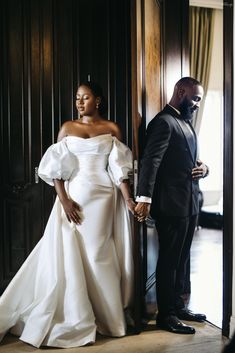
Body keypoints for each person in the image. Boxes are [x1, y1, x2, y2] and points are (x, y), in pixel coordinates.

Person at [0, 81, 135, 348]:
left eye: (85, 97)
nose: (79, 102)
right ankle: (79, 313)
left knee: (100, 254)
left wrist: (128, 200)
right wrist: (64, 201)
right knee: (74, 252)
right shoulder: (67, 128)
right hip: (76, 196)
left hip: (104, 197)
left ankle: (108, 318)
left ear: (98, 100)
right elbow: (56, 169)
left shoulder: (112, 129)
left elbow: (118, 169)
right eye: (77, 98)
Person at [135, 77, 209, 334]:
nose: (198, 104)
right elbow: (150, 162)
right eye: (196, 98)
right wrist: (143, 198)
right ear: (181, 92)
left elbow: (192, 161)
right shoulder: (164, 123)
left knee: (182, 259)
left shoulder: (185, 123)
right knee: (168, 261)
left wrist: (205, 169)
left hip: (189, 205)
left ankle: (178, 306)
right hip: (170, 206)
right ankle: (166, 316)